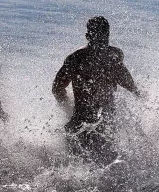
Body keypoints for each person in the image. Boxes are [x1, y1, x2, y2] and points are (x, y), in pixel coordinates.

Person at [52, 16, 142, 164]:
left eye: (103, 36)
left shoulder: (78, 58)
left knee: (76, 166)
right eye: (100, 35)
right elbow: (129, 84)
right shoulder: (110, 57)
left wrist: (67, 107)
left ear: (88, 35)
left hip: (86, 122)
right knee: (105, 165)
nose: (102, 40)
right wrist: (138, 94)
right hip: (100, 122)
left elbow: (57, 88)